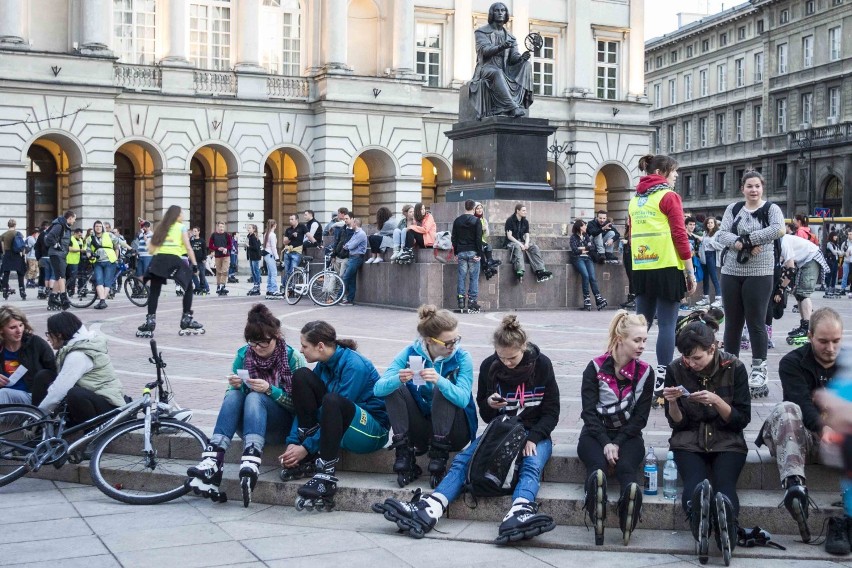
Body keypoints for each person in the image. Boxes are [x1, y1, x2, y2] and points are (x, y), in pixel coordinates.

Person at [374, 314, 559, 544]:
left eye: (512, 358)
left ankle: (520, 510)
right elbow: (486, 414)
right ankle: (430, 507)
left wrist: (533, 437)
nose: (507, 363)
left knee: (531, 463)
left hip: (534, 432)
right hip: (500, 432)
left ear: (523, 347)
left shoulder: (542, 365)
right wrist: (490, 405)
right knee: (463, 461)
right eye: (502, 357)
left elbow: (552, 411)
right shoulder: (490, 366)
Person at [186, 304, 306, 505]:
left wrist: (270, 389)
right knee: (233, 395)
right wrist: (236, 386)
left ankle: (251, 457)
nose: (258, 348)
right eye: (253, 343)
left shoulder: (292, 358)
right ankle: (214, 459)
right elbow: (231, 398)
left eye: (263, 343)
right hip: (249, 425)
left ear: (276, 336)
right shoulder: (244, 354)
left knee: (256, 397)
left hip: (280, 426)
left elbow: (301, 406)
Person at [662, 311, 751, 565]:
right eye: (686, 358)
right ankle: (698, 522)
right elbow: (678, 424)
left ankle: (728, 528)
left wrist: (717, 401)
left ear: (713, 348)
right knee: (696, 483)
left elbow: (741, 419)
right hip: (689, 440)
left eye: (697, 357)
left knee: (724, 486)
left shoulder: (734, 367)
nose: (690, 363)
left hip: (727, 440)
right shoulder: (676, 369)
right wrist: (673, 404)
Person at [278, 321, 389, 510]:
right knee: (302, 376)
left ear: (320, 346)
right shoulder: (324, 364)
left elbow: (336, 411)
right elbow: (305, 408)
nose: (301, 350)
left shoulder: (354, 366)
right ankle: (309, 457)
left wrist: (306, 447)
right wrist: (294, 442)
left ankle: (326, 476)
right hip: (340, 425)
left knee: (332, 401)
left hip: (371, 431)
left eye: (305, 346)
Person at [755, 307, 842, 544]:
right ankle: (795, 489)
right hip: (798, 441)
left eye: (836, 341)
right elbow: (801, 402)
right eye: (823, 341)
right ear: (810, 335)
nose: (830, 348)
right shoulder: (792, 362)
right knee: (786, 409)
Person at [374, 305, 477, 487]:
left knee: (442, 388)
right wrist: (398, 379)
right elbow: (378, 389)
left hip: (455, 431)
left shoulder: (462, 357)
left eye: (456, 339)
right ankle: (404, 453)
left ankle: (439, 458)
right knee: (393, 387)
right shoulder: (409, 353)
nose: (453, 346)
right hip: (422, 429)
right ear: (429, 341)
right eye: (448, 342)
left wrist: (440, 381)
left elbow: (462, 398)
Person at [578, 310, 652, 546]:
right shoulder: (595, 367)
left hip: (628, 435)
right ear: (621, 339)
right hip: (594, 433)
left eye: (644, 340)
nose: (642, 346)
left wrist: (617, 442)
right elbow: (588, 413)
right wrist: (605, 442)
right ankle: (596, 502)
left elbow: (640, 418)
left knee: (627, 467)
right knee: (596, 466)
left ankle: (628, 505)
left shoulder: (645, 372)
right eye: (637, 340)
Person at [628, 154, 695, 398]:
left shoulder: (635, 201)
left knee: (640, 324)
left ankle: (629, 371)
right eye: (674, 171)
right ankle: (662, 378)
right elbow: (680, 234)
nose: (676, 176)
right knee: (667, 324)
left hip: (642, 267)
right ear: (662, 171)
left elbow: (631, 235)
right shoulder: (668, 196)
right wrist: (690, 270)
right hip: (667, 266)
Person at [714, 170, 784, 399]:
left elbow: (777, 229)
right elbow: (721, 234)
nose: (754, 190)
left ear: (762, 188)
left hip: (760, 272)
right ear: (742, 189)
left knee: (756, 321)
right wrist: (740, 244)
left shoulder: (771, 209)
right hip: (731, 271)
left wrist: (750, 239)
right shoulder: (733, 209)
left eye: (757, 186)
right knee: (733, 322)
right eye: (749, 186)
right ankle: (729, 365)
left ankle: (758, 367)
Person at [39, 311, 125, 425]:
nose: (48, 339)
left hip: (110, 407)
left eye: (49, 334)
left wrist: (37, 416)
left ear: (59, 334)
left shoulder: (78, 355)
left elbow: (58, 391)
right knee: (44, 376)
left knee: (75, 394)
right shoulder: (78, 345)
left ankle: (91, 435)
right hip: (93, 398)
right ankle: (41, 429)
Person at [136, 205, 204, 338]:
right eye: (182, 213)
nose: (183, 215)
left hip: (159, 260)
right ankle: (186, 318)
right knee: (188, 286)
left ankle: (150, 321)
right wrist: (194, 264)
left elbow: (151, 249)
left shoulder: (161, 227)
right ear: (177, 215)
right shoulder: (181, 227)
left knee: (155, 292)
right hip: (174, 259)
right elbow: (188, 247)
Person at [468, 2, 533, 119]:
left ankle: (519, 103)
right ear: (492, 14)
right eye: (497, 10)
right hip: (486, 68)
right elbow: (483, 51)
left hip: (505, 69)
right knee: (496, 72)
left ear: (506, 14)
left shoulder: (510, 37)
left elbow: (513, 58)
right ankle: (512, 107)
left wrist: (521, 58)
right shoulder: (481, 32)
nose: (500, 13)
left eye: (503, 10)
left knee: (526, 65)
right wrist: (500, 47)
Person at [775, 234, 830, 345]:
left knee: (804, 293)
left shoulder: (783, 243)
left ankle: (807, 329)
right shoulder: (779, 242)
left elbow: (790, 269)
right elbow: (785, 267)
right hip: (805, 260)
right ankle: (804, 326)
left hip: (811, 258)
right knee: (798, 294)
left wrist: (780, 289)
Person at [0, 306, 56, 405]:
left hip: (32, 396)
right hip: (5, 397)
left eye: (21, 325)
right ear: (1, 330)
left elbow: (54, 370)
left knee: (3, 394)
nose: (19, 331)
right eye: (13, 327)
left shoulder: (35, 343)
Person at [504, 203, 552, 283]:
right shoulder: (510, 220)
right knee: (517, 247)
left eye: (525, 210)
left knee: (534, 247)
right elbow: (509, 236)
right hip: (511, 242)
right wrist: (520, 244)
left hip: (522, 241)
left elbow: (527, 235)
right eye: (523, 210)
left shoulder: (525, 221)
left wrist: (526, 244)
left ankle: (540, 270)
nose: (525, 212)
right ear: (517, 211)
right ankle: (520, 270)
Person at [451, 200, 483, 312]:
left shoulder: (457, 220)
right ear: (474, 208)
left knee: (461, 276)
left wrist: (456, 252)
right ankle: (472, 301)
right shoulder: (476, 221)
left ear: (464, 207)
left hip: (461, 252)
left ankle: (460, 300)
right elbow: (478, 238)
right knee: (474, 277)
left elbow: (453, 238)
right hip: (473, 251)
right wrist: (479, 253)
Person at [569, 219, 607, 310]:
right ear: (579, 227)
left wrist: (582, 248)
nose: (586, 227)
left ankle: (598, 298)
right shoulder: (573, 237)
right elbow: (575, 250)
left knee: (592, 277)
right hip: (578, 259)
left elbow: (592, 247)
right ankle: (587, 299)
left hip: (587, 258)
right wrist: (585, 248)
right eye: (584, 225)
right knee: (585, 276)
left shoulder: (586, 236)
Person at [43, 210, 76, 311]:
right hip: (56, 254)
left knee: (59, 277)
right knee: (61, 276)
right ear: (69, 218)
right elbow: (49, 238)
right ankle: (63, 297)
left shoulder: (64, 226)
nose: (74, 221)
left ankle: (52, 298)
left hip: (61, 254)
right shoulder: (60, 225)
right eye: (74, 219)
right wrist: (57, 245)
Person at [87, 220, 118, 310]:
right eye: (96, 226)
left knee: (107, 281)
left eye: (100, 226)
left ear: (102, 228)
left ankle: (102, 301)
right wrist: (90, 257)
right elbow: (88, 250)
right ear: (94, 227)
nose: (98, 228)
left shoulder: (109, 235)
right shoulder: (90, 238)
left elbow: (117, 246)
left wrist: (116, 258)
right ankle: (102, 301)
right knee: (99, 280)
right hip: (97, 261)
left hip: (110, 261)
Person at [695, 216, 723, 308]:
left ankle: (719, 299)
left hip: (712, 255)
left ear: (714, 224)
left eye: (711, 222)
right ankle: (705, 298)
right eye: (708, 223)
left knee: (714, 277)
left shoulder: (718, 233)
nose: (709, 224)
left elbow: (722, 246)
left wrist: (712, 243)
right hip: (704, 256)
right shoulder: (704, 233)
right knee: (705, 278)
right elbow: (702, 243)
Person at [340, 218, 367, 306]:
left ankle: (338, 297)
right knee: (351, 279)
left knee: (346, 277)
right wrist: (347, 246)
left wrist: (347, 246)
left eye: (352, 222)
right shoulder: (356, 233)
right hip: (352, 257)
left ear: (355, 223)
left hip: (357, 258)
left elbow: (351, 245)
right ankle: (349, 300)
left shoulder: (361, 234)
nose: (351, 224)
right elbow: (349, 243)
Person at [473, 202, 502, 279]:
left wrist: (485, 229)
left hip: (481, 240)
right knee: (481, 248)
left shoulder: (483, 220)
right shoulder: (473, 219)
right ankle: (486, 267)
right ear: (474, 210)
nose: (479, 210)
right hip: (474, 240)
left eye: (481, 208)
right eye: (477, 208)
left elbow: (486, 235)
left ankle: (489, 262)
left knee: (488, 246)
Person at [0, 219, 27, 300]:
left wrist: (5, 254)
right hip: (16, 255)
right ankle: (22, 292)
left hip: (7, 255)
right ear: (15, 225)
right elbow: (22, 247)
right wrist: (23, 256)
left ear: (8, 225)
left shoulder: (3, 235)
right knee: (20, 274)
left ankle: (5, 290)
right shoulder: (18, 234)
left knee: (6, 274)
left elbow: (2, 247)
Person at [281, 214, 306, 287]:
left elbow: (309, 235)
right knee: (286, 270)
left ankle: (290, 287)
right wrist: (291, 237)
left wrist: (316, 243)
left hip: (296, 252)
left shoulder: (302, 227)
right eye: (289, 219)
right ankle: (284, 287)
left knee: (292, 270)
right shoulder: (288, 230)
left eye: (292, 219)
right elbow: (285, 242)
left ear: (297, 220)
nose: (290, 221)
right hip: (288, 252)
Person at [208, 222, 233, 296]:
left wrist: (226, 248)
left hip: (226, 255)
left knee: (224, 270)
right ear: (217, 227)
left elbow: (230, 245)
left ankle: (223, 285)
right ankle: (218, 286)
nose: (221, 228)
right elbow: (210, 246)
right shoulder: (214, 235)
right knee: (218, 271)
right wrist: (217, 248)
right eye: (220, 227)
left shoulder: (227, 235)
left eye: (223, 227)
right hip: (218, 256)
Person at [261, 219, 281, 298]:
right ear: (274, 225)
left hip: (266, 254)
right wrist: (277, 257)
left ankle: (269, 289)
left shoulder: (266, 234)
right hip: (270, 254)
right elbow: (273, 247)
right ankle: (273, 290)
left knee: (270, 273)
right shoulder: (272, 235)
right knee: (274, 273)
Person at [189, 227, 210, 295]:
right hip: (193, 260)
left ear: (198, 232)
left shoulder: (202, 241)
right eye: (193, 231)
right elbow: (189, 248)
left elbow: (204, 250)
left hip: (200, 260)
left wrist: (204, 258)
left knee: (202, 275)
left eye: (195, 231)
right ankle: (197, 287)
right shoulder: (191, 240)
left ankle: (203, 288)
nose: (194, 232)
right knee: (193, 274)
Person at [65, 228, 85, 296]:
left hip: (79, 260)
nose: (80, 236)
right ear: (75, 233)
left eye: (81, 235)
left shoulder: (81, 239)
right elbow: (69, 248)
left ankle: (79, 289)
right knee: (71, 277)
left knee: (78, 276)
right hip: (71, 260)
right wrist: (79, 250)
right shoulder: (71, 239)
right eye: (79, 235)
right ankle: (70, 290)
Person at [245, 224, 262, 296]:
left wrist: (248, 246)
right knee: (253, 271)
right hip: (251, 256)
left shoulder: (254, 237)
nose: (248, 229)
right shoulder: (249, 236)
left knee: (255, 271)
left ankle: (257, 286)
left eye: (250, 228)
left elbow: (256, 247)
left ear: (254, 229)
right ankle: (255, 285)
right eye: (248, 228)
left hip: (255, 257)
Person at [824, 231, 841, 297]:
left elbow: (840, 252)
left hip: (835, 261)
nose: (836, 237)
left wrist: (838, 252)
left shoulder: (836, 244)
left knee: (834, 275)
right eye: (835, 236)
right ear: (832, 236)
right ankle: (827, 288)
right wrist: (838, 252)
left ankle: (832, 288)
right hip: (830, 261)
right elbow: (834, 252)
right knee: (829, 274)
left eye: (836, 236)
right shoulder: (829, 244)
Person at [841, 228, 852, 297]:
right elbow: (841, 252)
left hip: (851, 261)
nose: (850, 235)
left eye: (851, 234)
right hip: (846, 261)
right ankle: (843, 288)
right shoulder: (844, 243)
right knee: (845, 275)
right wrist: (845, 253)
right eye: (849, 234)